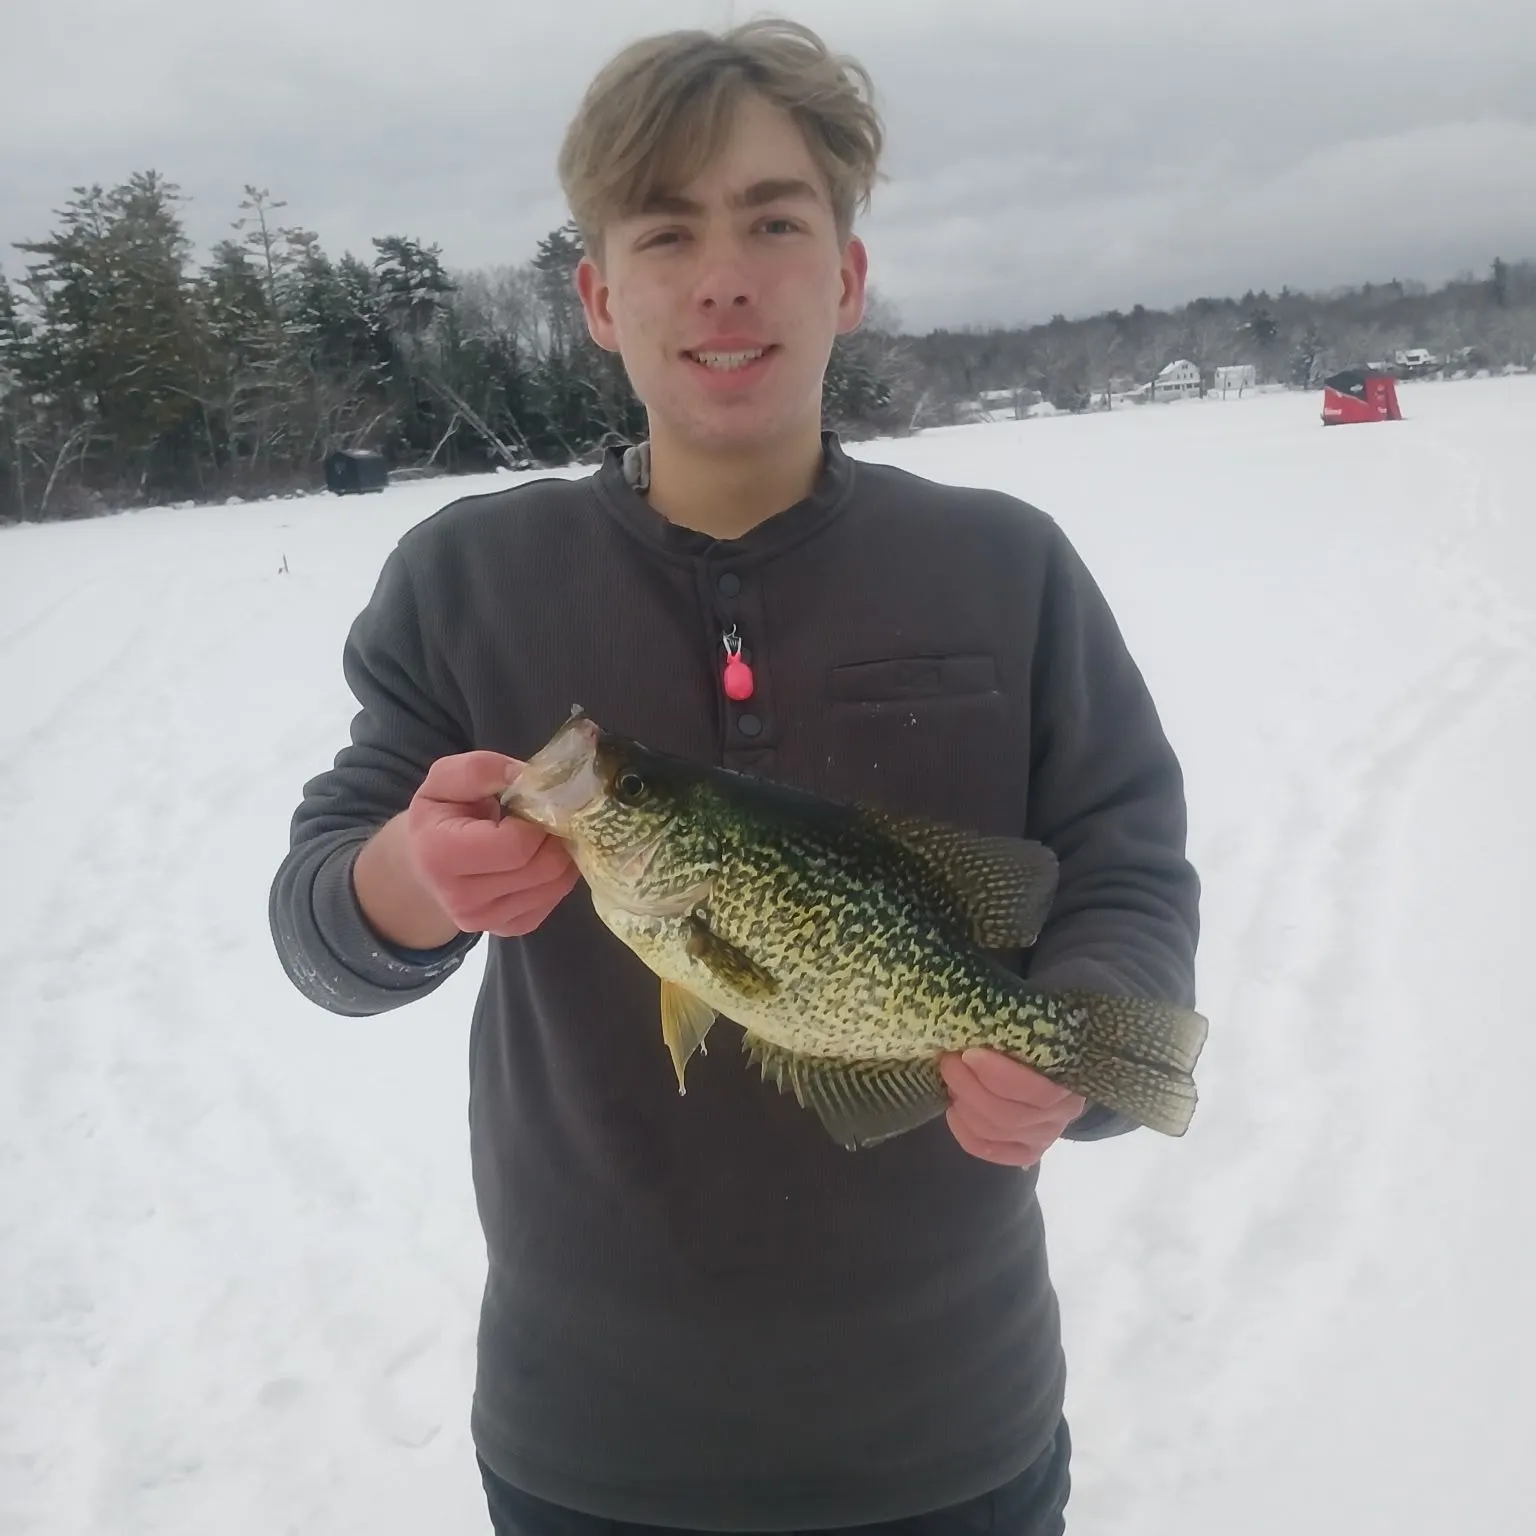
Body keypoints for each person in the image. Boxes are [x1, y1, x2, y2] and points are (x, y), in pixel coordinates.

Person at [268, 17, 1200, 1535]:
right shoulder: (465, 580)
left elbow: (1121, 855)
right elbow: (322, 920)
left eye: (775, 220)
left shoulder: (1003, 566)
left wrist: (1071, 1050)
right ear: (595, 293)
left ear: (844, 272)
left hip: (949, 1428)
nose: (723, 276)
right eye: (666, 230)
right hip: (593, 1446)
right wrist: (407, 881)